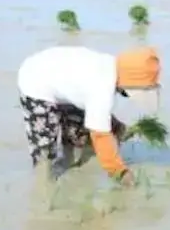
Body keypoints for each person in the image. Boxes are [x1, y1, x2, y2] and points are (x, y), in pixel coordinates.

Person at [16, 45, 162, 185]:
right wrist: (120, 172)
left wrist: (122, 131)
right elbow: (100, 136)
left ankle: (71, 151)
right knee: (46, 154)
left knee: (91, 129)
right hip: (34, 82)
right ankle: (43, 192)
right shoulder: (102, 88)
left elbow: (100, 120)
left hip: (54, 75)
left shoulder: (110, 65)